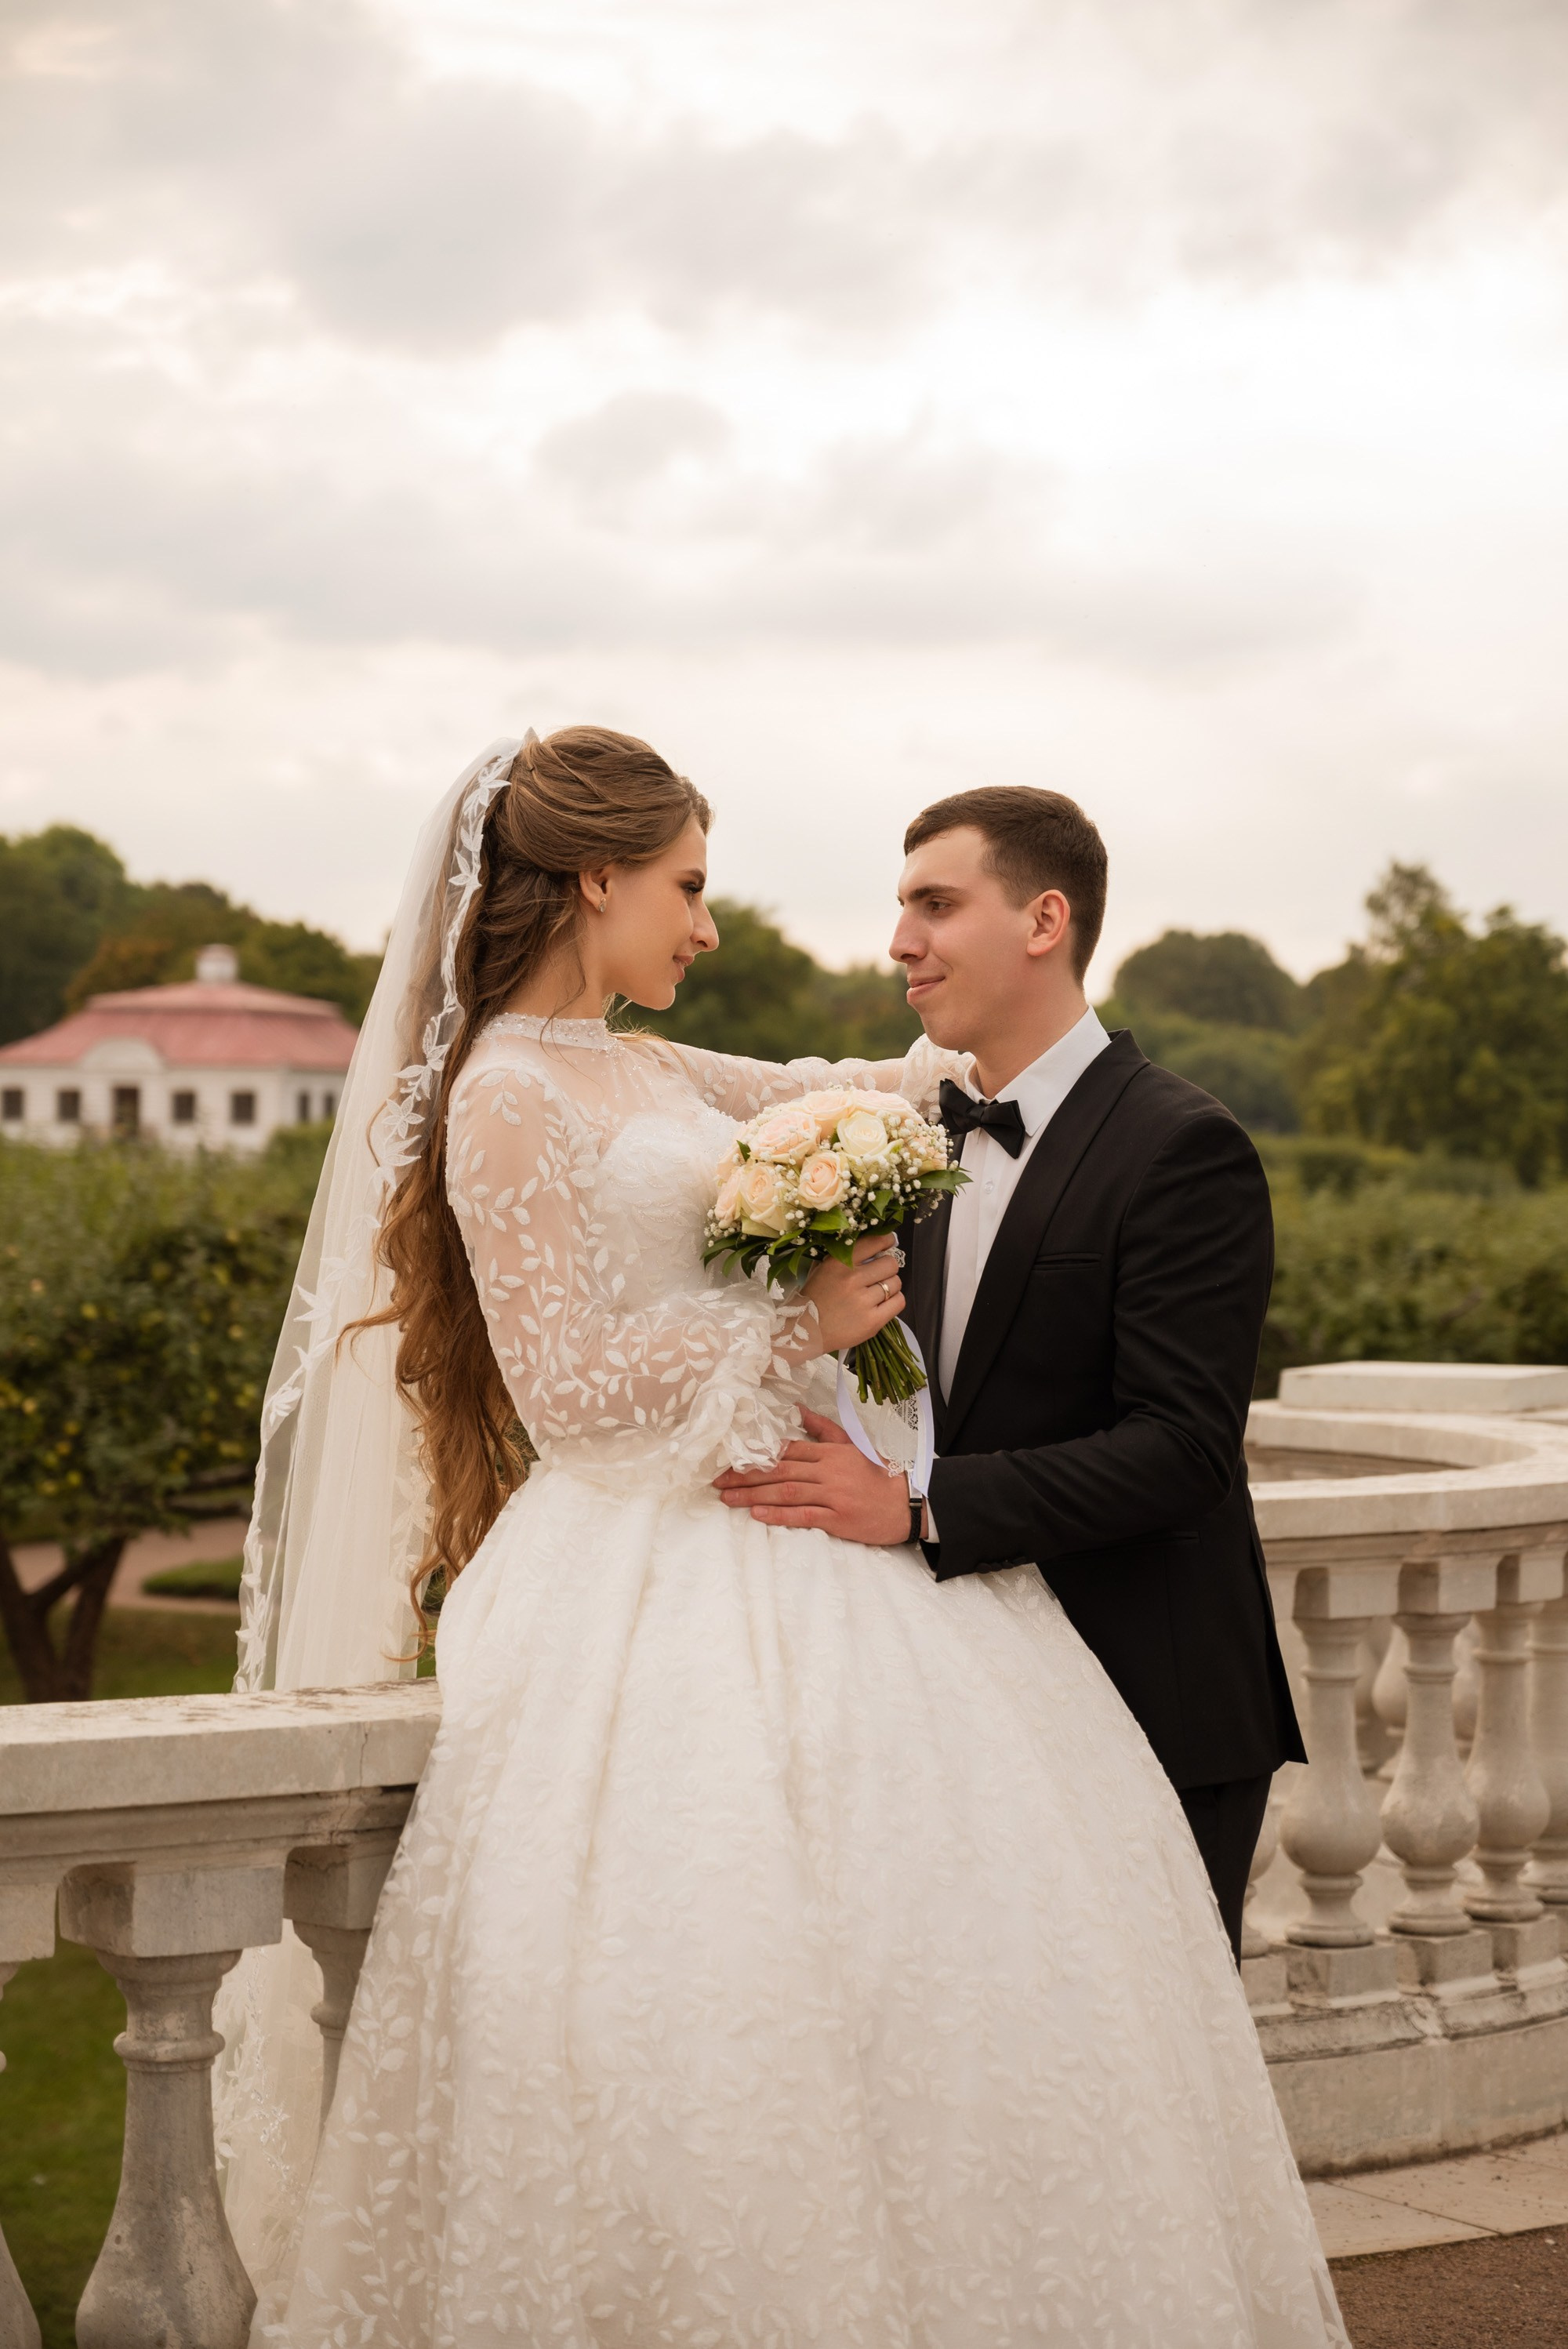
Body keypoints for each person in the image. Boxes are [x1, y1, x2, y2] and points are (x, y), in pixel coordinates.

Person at [230, 728, 1345, 2346]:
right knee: (694, 1999)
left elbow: (869, 1094)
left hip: (823, 1541)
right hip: (643, 1579)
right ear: (595, 877)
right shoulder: (501, 1095)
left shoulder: (652, 1068)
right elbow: (567, 1394)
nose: (706, 925)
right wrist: (788, 1328)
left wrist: (956, 1080)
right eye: (686, 886)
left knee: (929, 1991)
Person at [716, 786, 1305, 1959]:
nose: (900, 943)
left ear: (1045, 921)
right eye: (900, 908)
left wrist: (920, 1511)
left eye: (937, 904)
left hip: (1150, 1694)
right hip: (965, 1702)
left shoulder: (1184, 1146)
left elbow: (1184, 1449)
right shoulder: (906, 1140)